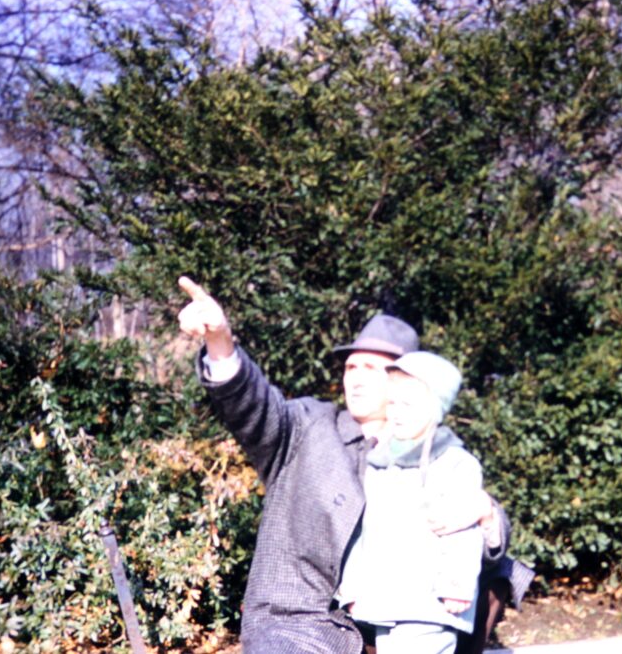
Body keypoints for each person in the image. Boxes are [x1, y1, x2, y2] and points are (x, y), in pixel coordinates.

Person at [176, 277, 510, 654]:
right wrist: (220, 342)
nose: (357, 379)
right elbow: (251, 404)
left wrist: (486, 515)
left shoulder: (436, 450)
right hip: (300, 625)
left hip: (406, 622)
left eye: (372, 368)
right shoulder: (306, 426)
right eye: (352, 367)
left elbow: (474, 536)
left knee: (502, 570)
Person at [338, 352, 482, 654]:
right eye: (392, 403)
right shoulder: (380, 463)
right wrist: (352, 588)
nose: (397, 413)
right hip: (385, 601)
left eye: (409, 405)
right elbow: (362, 530)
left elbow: (463, 531)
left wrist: (456, 585)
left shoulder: (454, 463)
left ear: (435, 409)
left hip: (430, 602)